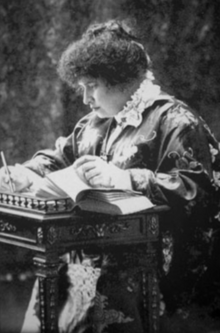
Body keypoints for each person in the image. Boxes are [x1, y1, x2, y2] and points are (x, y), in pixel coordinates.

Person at [1, 19, 220, 333]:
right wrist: (23, 173)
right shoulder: (97, 122)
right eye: (83, 87)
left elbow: (199, 193)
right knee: (60, 276)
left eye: (93, 86)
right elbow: (61, 156)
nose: (86, 99)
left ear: (122, 79)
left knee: (107, 287)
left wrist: (125, 179)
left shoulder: (176, 120)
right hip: (90, 254)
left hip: (153, 266)